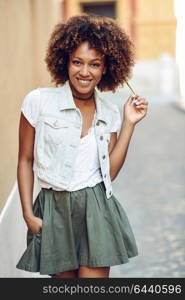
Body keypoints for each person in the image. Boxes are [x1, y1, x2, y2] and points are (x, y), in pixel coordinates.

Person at [16, 14, 148, 278]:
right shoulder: (38, 101)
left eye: (94, 64)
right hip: (54, 208)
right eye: (77, 62)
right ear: (65, 61)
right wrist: (28, 215)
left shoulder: (109, 112)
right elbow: (25, 160)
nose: (85, 72)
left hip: (96, 207)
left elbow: (108, 173)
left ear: (105, 68)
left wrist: (128, 124)